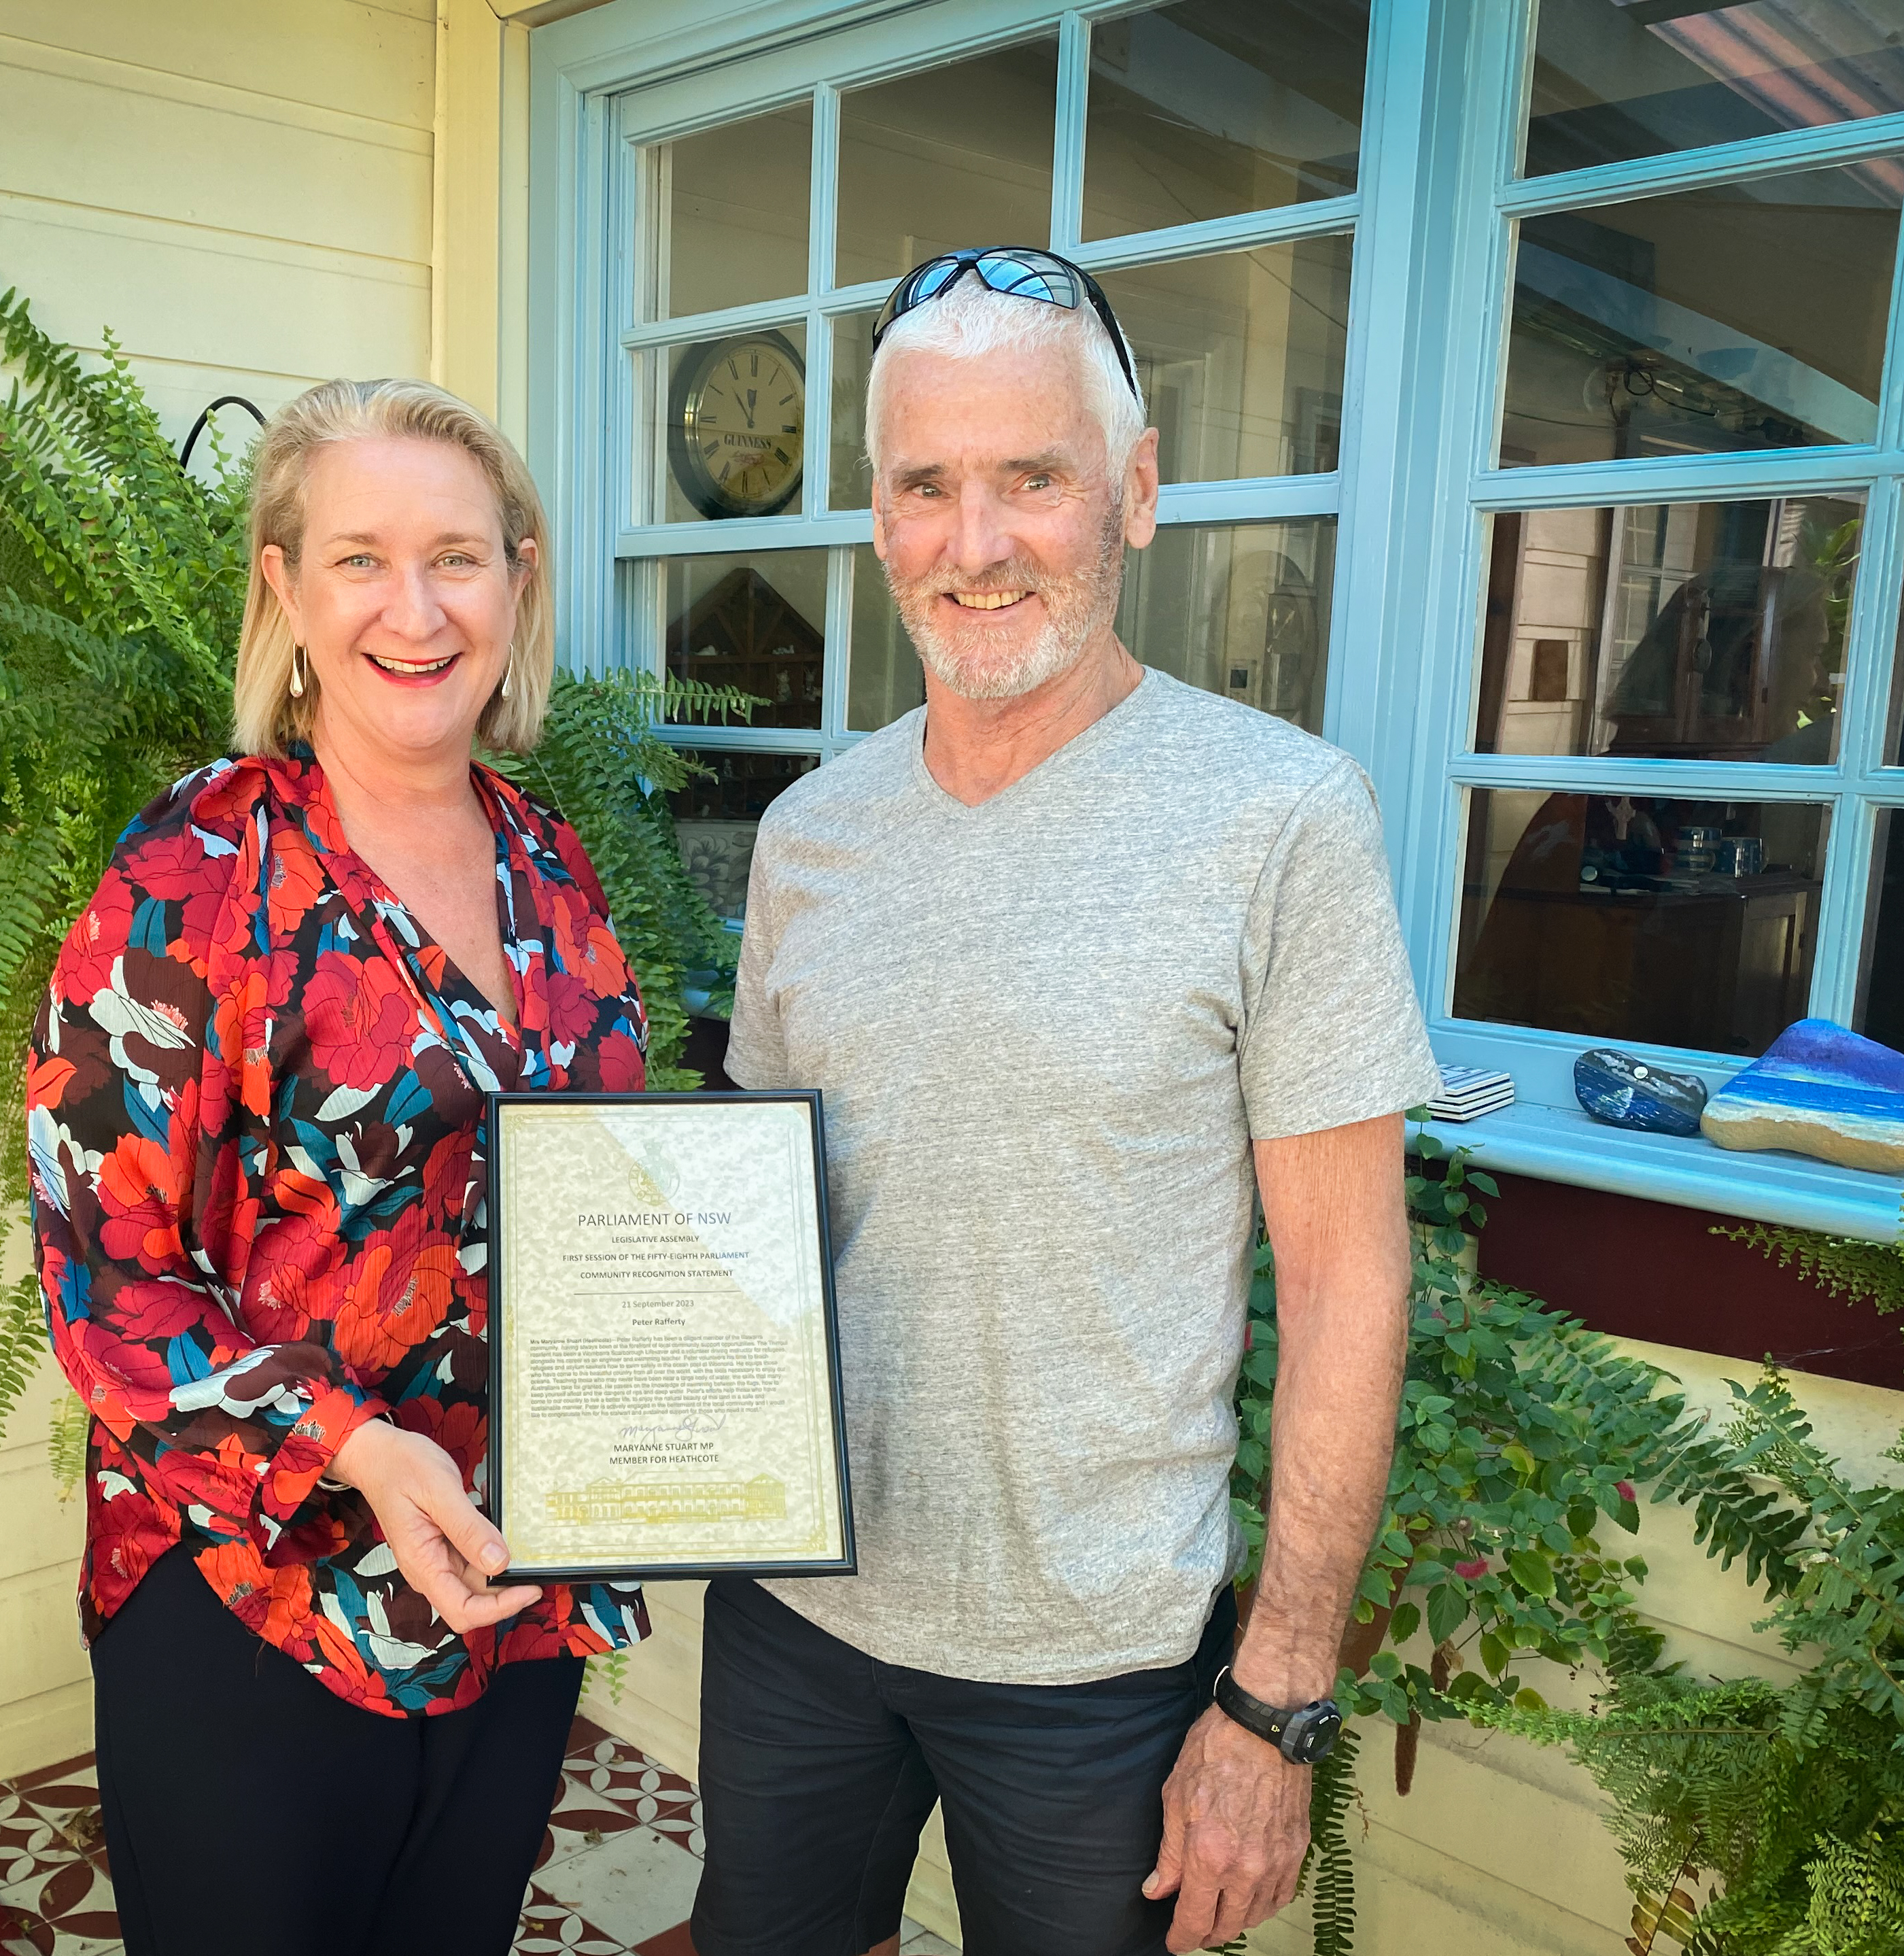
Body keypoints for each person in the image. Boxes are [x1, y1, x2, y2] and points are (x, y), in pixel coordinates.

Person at [690, 248, 1440, 1956]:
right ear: (878, 517)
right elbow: (750, 1231)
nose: (976, 544)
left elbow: (1344, 1283)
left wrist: (1275, 1699)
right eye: (926, 487)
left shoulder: (1281, 818)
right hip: (798, 1619)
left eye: (1030, 477)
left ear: (1136, 492)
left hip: (1100, 1661)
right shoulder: (811, 834)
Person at [26, 377, 650, 1956]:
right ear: (282, 588)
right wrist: (360, 1448)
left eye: (457, 556)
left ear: (517, 578)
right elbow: (104, 1281)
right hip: (255, 1595)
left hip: (513, 1581)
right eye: (361, 557)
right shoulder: (187, 877)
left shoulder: (549, 865)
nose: (416, 608)